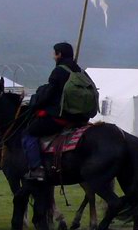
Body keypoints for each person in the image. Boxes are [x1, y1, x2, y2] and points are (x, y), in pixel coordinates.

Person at [22, 42, 90, 180]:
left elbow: (48, 95)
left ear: (59, 54)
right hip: (80, 118)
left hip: (60, 118)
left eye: (54, 53)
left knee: (29, 133)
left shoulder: (59, 71)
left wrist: (35, 103)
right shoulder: (81, 72)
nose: (53, 57)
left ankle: (37, 169)